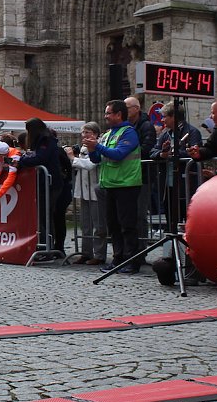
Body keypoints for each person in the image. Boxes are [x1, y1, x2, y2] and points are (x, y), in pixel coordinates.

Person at [86, 100, 142, 274]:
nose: (106, 116)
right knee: (113, 225)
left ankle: (132, 261)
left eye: (108, 113)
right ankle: (118, 259)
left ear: (119, 114)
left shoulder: (129, 133)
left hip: (127, 184)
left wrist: (97, 146)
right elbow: (97, 159)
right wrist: (92, 149)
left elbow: (118, 154)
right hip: (110, 184)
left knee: (127, 225)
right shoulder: (109, 134)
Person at [149, 102, 202, 226]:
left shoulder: (192, 132)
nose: (162, 120)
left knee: (188, 219)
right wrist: (162, 154)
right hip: (168, 184)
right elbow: (153, 151)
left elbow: (194, 153)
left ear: (174, 117)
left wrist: (174, 154)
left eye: (164, 117)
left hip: (185, 183)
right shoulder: (165, 133)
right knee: (171, 220)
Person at [18, 118, 66, 251]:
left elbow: (40, 158)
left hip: (50, 183)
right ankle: (46, 244)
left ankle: (47, 246)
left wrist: (22, 161)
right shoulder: (43, 140)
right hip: (44, 183)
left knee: (45, 215)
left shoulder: (46, 140)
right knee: (42, 215)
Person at [66, 122, 107, 265]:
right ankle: (86, 252)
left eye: (87, 132)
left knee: (98, 224)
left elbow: (90, 164)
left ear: (95, 134)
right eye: (83, 133)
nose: (84, 135)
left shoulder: (100, 146)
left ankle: (99, 254)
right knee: (85, 224)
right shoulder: (84, 147)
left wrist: (73, 158)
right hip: (84, 189)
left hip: (95, 187)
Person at [124, 96, 156, 263]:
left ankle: (141, 250)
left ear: (136, 109)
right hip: (129, 174)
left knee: (139, 214)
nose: (124, 111)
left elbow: (146, 149)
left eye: (126, 108)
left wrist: (125, 153)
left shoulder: (146, 126)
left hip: (142, 175)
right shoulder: (127, 126)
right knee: (129, 213)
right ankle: (131, 249)